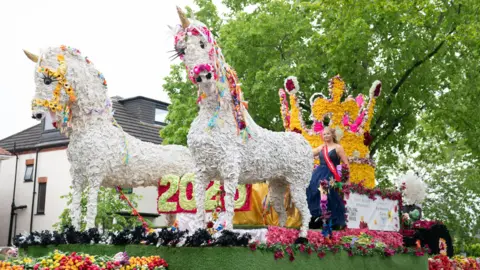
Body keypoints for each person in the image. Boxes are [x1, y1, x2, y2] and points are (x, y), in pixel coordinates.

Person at [307, 127, 349, 229]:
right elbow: (308, 152)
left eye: (328, 134)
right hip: (318, 174)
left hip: (332, 175)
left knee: (325, 194)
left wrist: (345, 179)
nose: (326, 136)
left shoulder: (338, 148)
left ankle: (329, 219)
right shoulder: (322, 147)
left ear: (332, 135)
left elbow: (346, 163)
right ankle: (317, 217)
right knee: (311, 190)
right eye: (324, 134)